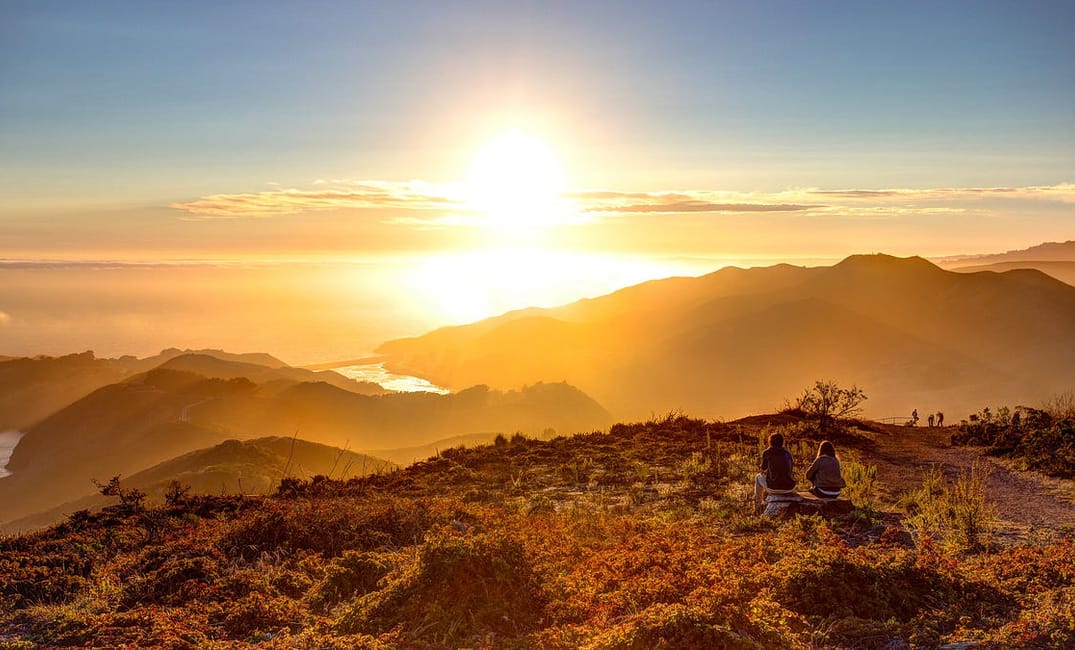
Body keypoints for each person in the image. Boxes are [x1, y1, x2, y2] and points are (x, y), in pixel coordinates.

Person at [754, 432, 795, 512]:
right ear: (782, 442)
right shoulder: (788, 454)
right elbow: (790, 470)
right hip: (789, 487)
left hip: (774, 488)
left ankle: (758, 506)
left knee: (758, 477)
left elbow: (763, 468)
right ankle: (765, 501)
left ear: (770, 442)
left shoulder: (767, 452)